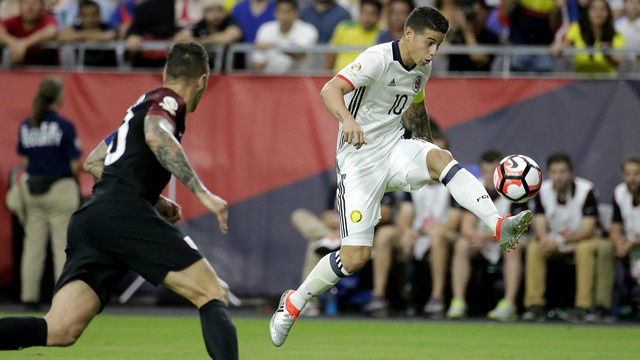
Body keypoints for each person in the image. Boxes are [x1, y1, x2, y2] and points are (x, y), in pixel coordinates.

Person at [269, 7, 532, 346]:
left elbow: (416, 107)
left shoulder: (424, 65)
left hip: (395, 149)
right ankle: (294, 302)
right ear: (408, 34)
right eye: (429, 42)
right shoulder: (377, 58)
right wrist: (348, 120)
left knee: (442, 157)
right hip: (359, 161)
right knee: (355, 258)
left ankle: (499, 225)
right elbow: (330, 89)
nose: (434, 51)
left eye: (438, 44)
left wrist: (430, 152)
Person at [0, 42, 238, 360]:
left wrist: (154, 199)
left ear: (167, 70)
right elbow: (155, 134)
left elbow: (95, 161)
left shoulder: (137, 110)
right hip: (122, 213)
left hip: (92, 218)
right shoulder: (168, 101)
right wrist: (202, 193)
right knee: (212, 291)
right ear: (202, 81)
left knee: (59, 328)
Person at [522, 153, 614, 323]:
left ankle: (582, 306)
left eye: (563, 172)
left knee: (584, 248)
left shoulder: (587, 190)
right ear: (549, 173)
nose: (558, 177)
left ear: (571, 173)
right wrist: (544, 240)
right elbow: (540, 225)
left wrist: (560, 241)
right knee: (535, 248)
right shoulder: (542, 191)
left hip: (585, 240)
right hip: (557, 241)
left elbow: (588, 229)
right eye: (554, 172)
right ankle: (535, 305)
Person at [15, 76, 81, 309]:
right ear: (59, 96)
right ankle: (64, 300)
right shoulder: (64, 126)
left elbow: (24, 158)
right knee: (62, 247)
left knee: (32, 248)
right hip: (60, 188)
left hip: (33, 189)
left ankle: (29, 298)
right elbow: (74, 162)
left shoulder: (27, 124)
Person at [446, 150, 528, 321]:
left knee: (513, 246)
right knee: (462, 245)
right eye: (486, 172)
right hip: (480, 242)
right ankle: (458, 301)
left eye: (493, 173)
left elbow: (517, 227)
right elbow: (466, 225)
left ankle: (508, 303)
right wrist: (475, 236)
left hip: (504, 239)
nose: (489, 176)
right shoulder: (473, 187)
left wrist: (487, 235)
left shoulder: (515, 189)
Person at [551, 0, 624, 74]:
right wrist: (558, 47)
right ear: (587, 12)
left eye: (602, 9)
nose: (598, 13)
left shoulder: (616, 35)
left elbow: (619, 61)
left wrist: (609, 52)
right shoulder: (577, 27)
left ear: (608, 13)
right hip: (581, 80)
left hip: (608, 80)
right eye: (594, 9)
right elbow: (563, 46)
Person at [252, 0, 318, 74]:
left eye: (287, 12)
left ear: (296, 13)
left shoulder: (308, 30)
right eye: (280, 12)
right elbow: (258, 62)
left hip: (299, 78)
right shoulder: (265, 29)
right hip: (270, 78)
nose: (283, 16)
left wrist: (275, 45)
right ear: (275, 12)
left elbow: (298, 54)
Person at [611, 157, 640, 306]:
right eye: (628, 174)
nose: (632, 178)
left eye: (636, 174)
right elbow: (615, 228)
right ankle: (608, 307)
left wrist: (633, 243)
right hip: (629, 246)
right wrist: (619, 242)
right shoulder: (620, 193)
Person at [325, 0, 383, 72]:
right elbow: (331, 55)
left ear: (379, 15)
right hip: (339, 77)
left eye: (372, 14)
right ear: (359, 13)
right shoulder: (344, 27)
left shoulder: (383, 33)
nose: (368, 18)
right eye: (365, 13)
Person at [57, 0, 117, 67]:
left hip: (108, 71)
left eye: (94, 14)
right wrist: (87, 34)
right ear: (79, 16)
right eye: (85, 15)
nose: (90, 19)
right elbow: (62, 37)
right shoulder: (77, 28)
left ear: (100, 15)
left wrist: (78, 36)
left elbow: (109, 36)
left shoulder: (107, 26)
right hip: (83, 73)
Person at [0, 0, 58, 65]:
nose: (30, 7)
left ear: (42, 6)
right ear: (20, 5)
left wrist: (23, 45)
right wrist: (12, 43)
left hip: (48, 70)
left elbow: (51, 31)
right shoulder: (14, 20)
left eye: (35, 3)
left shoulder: (47, 19)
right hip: (18, 71)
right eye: (26, 3)